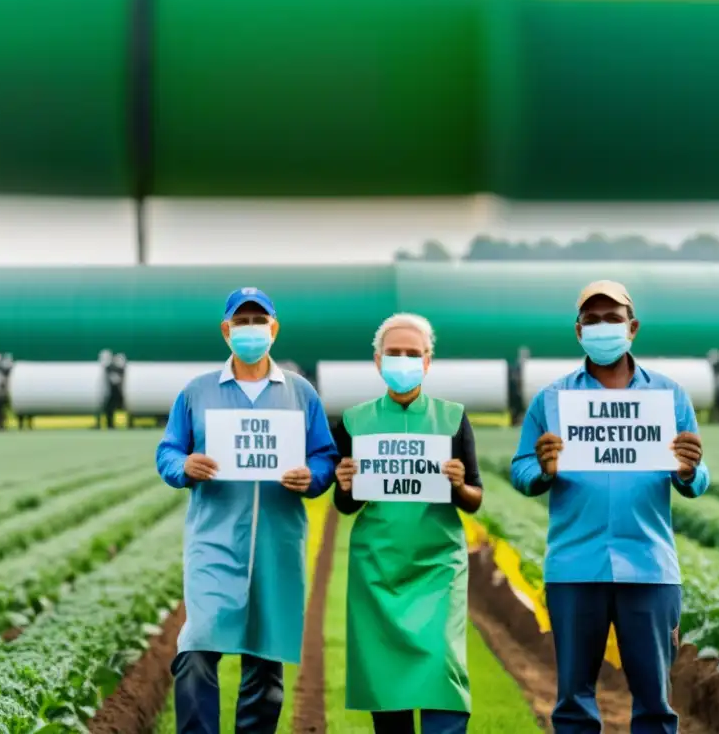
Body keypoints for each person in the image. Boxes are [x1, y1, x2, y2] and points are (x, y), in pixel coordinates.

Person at [511, 280, 709, 734]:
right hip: (575, 566)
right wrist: (542, 468)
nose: (603, 328)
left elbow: (697, 478)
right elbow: (521, 472)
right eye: (592, 321)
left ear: (632, 327)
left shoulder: (669, 396)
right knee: (573, 702)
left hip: (650, 567)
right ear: (579, 332)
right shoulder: (552, 399)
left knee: (654, 702)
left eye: (612, 319)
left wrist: (688, 471)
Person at [155, 287, 339, 734]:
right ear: (226, 330)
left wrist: (311, 477)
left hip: (278, 543)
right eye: (242, 322)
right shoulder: (197, 393)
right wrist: (185, 466)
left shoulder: (300, 393)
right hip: (215, 540)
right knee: (196, 650)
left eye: (259, 321)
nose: (251, 330)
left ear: (274, 329)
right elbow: (168, 452)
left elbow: (324, 456)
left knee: (265, 661)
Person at [332, 313, 482, 734]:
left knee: (444, 676)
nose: (403, 361)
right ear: (377, 361)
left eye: (413, 354)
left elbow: (474, 498)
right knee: (385, 681)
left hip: (437, 570)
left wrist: (456, 484)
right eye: (394, 353)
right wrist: (344, 485)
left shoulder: (452, 418)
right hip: (377, 570)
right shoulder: (353, 421)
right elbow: (345, 504)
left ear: (428, 361)